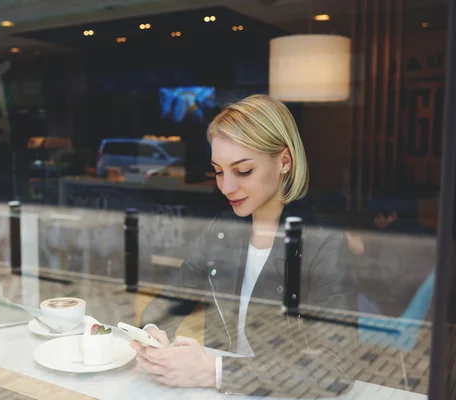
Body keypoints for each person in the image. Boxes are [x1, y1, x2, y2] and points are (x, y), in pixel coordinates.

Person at [135, 95, 356, 397]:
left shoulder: (323, 242)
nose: (225, 187)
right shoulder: (221, 231)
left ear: (284, 162)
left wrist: (216, 372)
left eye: (243, 171)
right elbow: (172, 298)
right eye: (219, 170)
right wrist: (151, 336)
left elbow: (336, 368)